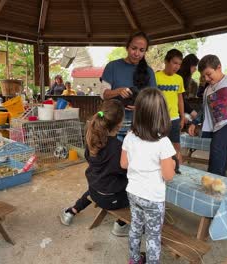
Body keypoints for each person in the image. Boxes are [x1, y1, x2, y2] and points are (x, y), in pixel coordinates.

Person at [121, 88, 176, 264]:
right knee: (153, 236)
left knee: (135, 228)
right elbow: (168, 176)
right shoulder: (163, 143)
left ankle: (134, 259)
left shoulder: (129, 136)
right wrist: (173, 164)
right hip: (153, 198)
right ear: (162, 115)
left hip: (133, 193)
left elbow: (123, 164)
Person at [60, 100, 130, 236]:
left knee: (96, 187)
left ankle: (71, 212)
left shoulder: (92, 139)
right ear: (120, 123)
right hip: (113, 200)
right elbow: (125, 171)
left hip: (95, 192)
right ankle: (121, 225)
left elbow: (90, 158)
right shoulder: (119, 148)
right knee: (137, 193)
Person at [101, 31, 157, 139]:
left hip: (139, 127)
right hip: (114, 125)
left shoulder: (149, 71)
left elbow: (154, 100)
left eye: (141, 50)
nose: (137, 53)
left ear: (145, 51)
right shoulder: (112, 66)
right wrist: (118, 91)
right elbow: (103, 94)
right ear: (127, 47)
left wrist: (141, 106)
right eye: (134, 48)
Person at [155, 49, 185, 173]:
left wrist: (182, 117)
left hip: (174, 118)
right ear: (166, 61)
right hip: (159, 119)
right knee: (158, 145)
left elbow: (180, 99)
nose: (177, 66)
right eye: (174, 63)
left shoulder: (179, 79)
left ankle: (179, 170)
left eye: (179, 64)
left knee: (176, 146)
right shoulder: (156, 77)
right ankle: (160, 171)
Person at [178, 54, 200, 125]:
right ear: (189, 65)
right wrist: (191, 112)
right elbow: (179, 98)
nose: (195, 69)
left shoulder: (186, 77)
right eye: (194, 66)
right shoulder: (179, 77)